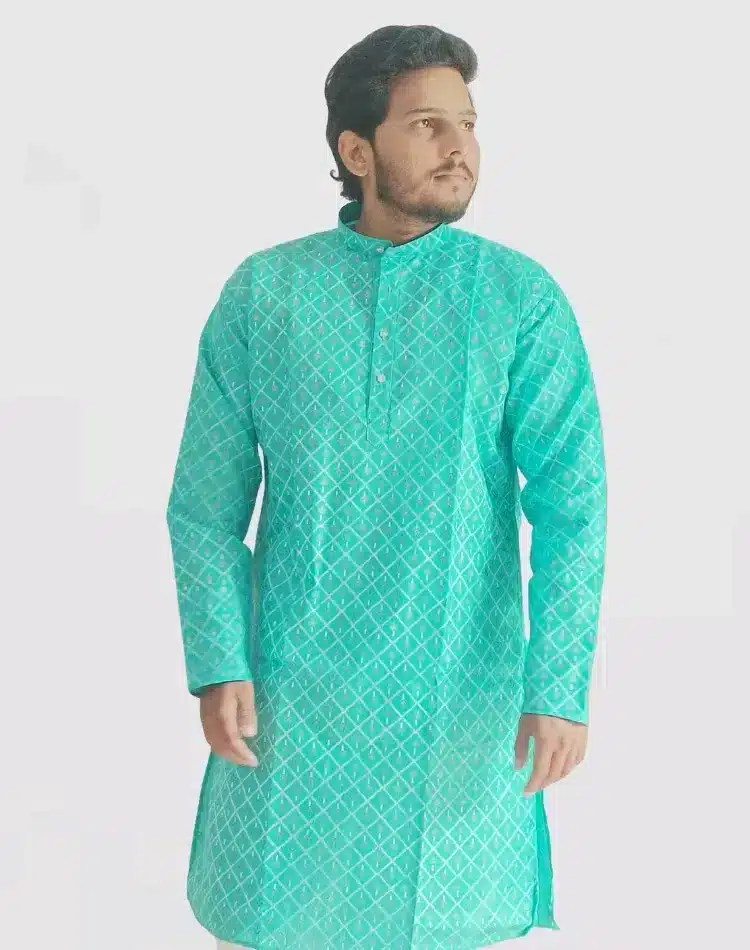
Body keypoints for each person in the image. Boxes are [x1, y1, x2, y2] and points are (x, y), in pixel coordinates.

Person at [165, 23, 607, 950]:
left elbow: (574, 507)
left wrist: (559, 685)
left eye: (468, 125)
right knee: (276, 920)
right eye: (428, 124)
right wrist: (218, 661)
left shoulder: (517, 299)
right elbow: (205, 508)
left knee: (442, 925)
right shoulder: (265, 295)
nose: (459, 147)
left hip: (460, 704)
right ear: (357, 150)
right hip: (290, 701)